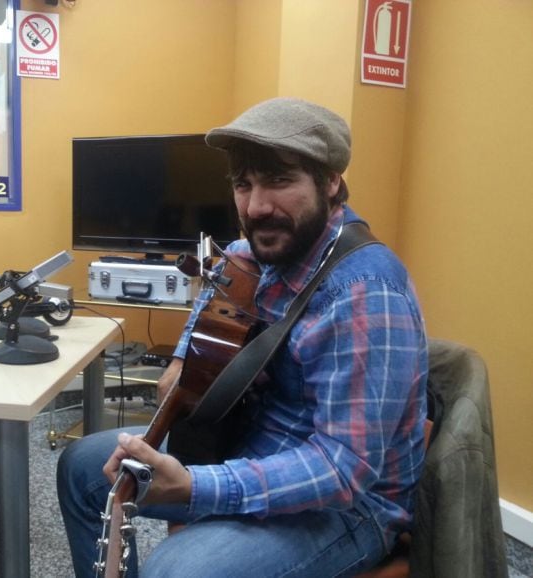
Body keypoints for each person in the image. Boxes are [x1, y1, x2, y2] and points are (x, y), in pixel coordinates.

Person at [57, 97, 428, 577]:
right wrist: (186, 363)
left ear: (331, 181)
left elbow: (344, 469)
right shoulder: (249, 255)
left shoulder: (365, 292)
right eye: (243, 184)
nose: (256, 207)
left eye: (280, 181)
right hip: (246, 441)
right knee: (83, 467)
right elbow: (181, 378)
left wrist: (196, 487)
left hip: (347, 506)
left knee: (177, 571)